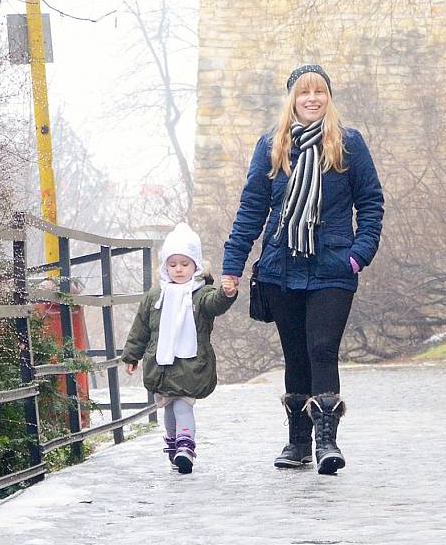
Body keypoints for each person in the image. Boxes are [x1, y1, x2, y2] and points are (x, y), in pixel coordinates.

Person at [221, 64, 384, 475]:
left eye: (320, 92)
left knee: (322, 349)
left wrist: (358, 254)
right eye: (304, 93)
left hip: (332, 266)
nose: (312, 99)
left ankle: (327, 441)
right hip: (281, 267)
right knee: (295, 354)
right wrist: (232, 267)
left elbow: (371, 202)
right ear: (291, 98)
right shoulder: (271, 146)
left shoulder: (348, 144)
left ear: (329, 98)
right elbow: (252, 209)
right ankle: (298, 443)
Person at [123, 222, 237, 474]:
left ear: (196, 265)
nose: (178, 270)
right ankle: (174, 445)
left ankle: (186, 446)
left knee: (183, 405)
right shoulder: (155, 295)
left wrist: (226, 294)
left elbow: (214, 304)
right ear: (164, 266)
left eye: (184, 264)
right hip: (161, 363)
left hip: (190, 364)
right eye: (172, 264)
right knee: (168, 408)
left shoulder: (201, 293)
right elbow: (141, 327)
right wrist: (132, 355)